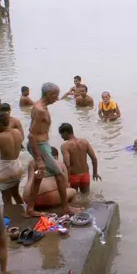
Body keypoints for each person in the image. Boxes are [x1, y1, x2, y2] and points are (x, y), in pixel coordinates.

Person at [25, 82, 82, 217]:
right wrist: (39, 159)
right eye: (55, 96)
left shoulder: (40, 106)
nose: (57, 99)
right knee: (59, 175)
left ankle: (30, 209)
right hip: (39, 146)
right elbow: (31, 135)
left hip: (41, 144)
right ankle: (65, 208)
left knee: (39, 177)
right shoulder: (40, 110)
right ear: (49, 94)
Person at [0, 111, 23, 205]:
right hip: (17, 167)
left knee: (6, 198)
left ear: (0, 124)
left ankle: (9, 217)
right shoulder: (17, 131)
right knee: (16, 194)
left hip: (6, 170)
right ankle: (24, 210)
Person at [59, 123, 101, 193]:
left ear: (66, 133)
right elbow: (94, 159)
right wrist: (95, 173)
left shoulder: (65, 146)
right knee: (85, 197)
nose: (61, 137)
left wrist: (67, 180)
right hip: (85, 175)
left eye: (61, 134)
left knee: (73, 199)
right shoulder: (85, 142)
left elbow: (67, 165)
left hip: (73, 176)